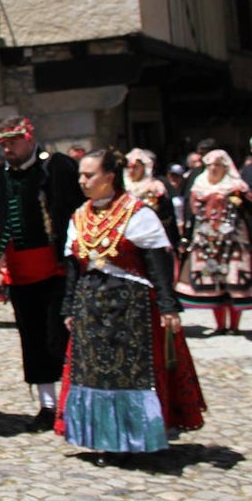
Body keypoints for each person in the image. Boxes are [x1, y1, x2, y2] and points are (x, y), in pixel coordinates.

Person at [59, 149, 205, 465]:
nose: (82, 181)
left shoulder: (137, 214)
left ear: (109, 177)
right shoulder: (79, 216)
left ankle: (134, 439)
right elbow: (73, 268)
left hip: (131, 308)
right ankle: (102, 438)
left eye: (89, 175)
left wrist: (168, 306)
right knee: (94, 375)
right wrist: (68, 307)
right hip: (91, 306)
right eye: (81, 175)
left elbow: (157, 265)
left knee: (128, 375)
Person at [0, 116, 82, 431]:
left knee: (60, 337)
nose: (8, 148)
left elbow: (77, 211)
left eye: (13, 142)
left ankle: (74, 403)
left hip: (57, 270)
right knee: (32, 340)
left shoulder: (58, 168)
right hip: (20, 272)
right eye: (3, 144)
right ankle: (47, 406)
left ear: (28, 138)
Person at [175, 149, 252, 335]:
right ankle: (219, 325)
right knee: (213, 282)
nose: (213, 169)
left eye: (217, 165)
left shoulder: (236, 186)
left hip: (233, 239)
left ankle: (233, 325)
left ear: (225, 167)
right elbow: (191, 212)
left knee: (233, 282)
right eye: (210, 165)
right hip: (206, 239)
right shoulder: (199, 185)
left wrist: (237, 201)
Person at [125, 148, 179, 247]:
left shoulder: (156, 187)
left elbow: (166, 214)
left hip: (151, 235)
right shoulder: (123, 188)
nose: (131, 171)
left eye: (136, 167)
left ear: (144, 168)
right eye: (129, 167)